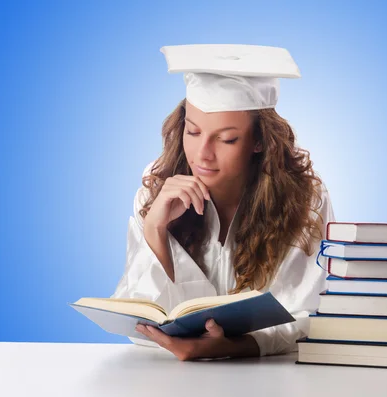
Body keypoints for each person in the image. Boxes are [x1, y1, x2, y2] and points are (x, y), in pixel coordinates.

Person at [111, 44, 335, 361]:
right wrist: (155, 228)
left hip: (273, 377)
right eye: (193, 131)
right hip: (163, 376)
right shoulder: (156, 190)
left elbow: (307, 310)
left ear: (259, 141)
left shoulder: (304, 198)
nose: (203, 154)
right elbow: (140, 313)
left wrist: (238, 346)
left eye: (227, 138)